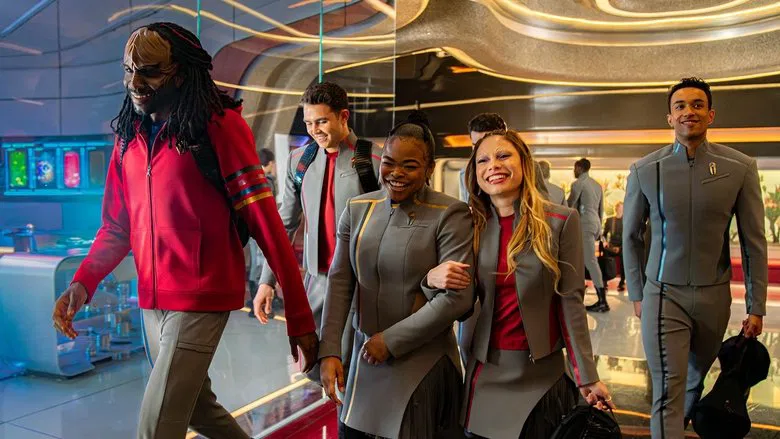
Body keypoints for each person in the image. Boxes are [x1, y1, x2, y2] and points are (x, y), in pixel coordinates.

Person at [50, 23, 317, 439]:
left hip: (201, 294)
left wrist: (299, 316)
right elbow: (116, 228)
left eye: (150, 71)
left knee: (155, 427)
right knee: (195, 409)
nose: (135, 83)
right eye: (128, 70)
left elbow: (266, 223)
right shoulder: (128, 139)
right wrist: (82, 283)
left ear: (180, 71)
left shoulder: (219, 126)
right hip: (152, 300)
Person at [427, 130, 613, 438]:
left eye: (503, 156)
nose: (493, 166)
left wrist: (586, 376)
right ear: (475, 174)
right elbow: (451, 297)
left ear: (524, 163)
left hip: (541, 373)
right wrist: (431, 279)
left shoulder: (561, 221)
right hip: (483, 368)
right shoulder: (468, 224)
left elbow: (571, 302)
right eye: (483, 160)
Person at [622, 77, 767, 438]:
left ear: (711, 114)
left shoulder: (740, 167)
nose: (689, 111)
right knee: (668, 385)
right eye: (681, 106)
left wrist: (756, 304)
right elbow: (630, 236)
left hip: (714, 296)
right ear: (669, 118)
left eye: (697, 105)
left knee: (693, 381)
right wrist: (638, 293)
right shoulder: (645, 169)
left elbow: (754, 240)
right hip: (662, 293)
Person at [319, 112, 474, 439]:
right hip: (363, 362)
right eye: (389, 162)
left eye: (410, 165)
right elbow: (340, 282)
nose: (396, 173)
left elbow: (457, 298)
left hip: (422, 362)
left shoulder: (451, 214)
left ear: (429, 168)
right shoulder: (358, 208)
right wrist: (330, 350)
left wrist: (390, 341)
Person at [254, 82, 382, 330]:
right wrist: (266, 280)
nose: (314, 130)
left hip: (363, 285)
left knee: (359, 364)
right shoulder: (299, 162)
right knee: (312, 361)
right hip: (316, 283)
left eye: (322, 121)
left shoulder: (376, 162)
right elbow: (284, 226)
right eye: (308, 123)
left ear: (343, 116)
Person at [458, 113, 548, 203]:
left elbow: (542, 203)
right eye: (476, 145)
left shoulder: (530, 166)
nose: (481, 149)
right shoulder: (465, 173)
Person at [568, 157, 608, 312]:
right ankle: (581, 292)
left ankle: (602, 301)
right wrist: (599, 228)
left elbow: (570, 204)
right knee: (583, 259)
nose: (573, 171)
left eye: (575, 167)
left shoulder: (578, 184)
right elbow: (601, 209)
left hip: (584, 224)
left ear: (580, 168)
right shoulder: (597, 185)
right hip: (595, 223)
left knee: (590, 261)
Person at [246, 147, 279, 317]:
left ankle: (254, 302)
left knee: (256, 265)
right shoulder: (266, 181)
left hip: (253, 230)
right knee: (261, 266)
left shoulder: (252, 179)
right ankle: (256, 306)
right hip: (263, 230)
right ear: (271, 163)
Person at [602, 201, 625, 293]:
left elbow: (627, 237)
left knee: (625, 257)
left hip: (622, 246)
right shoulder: (610, 220)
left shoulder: (626, 220)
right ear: (615, 209)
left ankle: (621, 282)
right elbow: (603, 235)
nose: (618, 210)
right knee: (604, 258)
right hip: (611, 246)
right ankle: (604, 282)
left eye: (621, 208)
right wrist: (605, 242)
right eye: (617, 208)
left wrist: (620, 247)